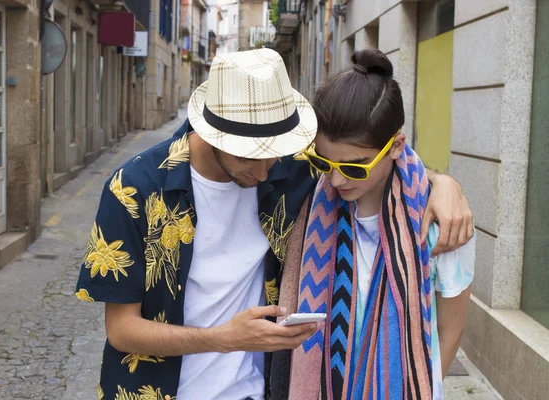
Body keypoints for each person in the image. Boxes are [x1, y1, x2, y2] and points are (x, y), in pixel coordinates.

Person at [74, 48, 473, 400]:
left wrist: (443, 184)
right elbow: (121, 330)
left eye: (275, 152)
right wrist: (223, 339)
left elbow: (373, 157)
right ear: (213, 135)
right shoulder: (133, 189)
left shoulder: (296, 166)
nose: (266, 170)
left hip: (254, 391)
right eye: (250, 156)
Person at [275, 49, 475, 400]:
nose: (336, 180)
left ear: (396, 146)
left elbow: (449, 331)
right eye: (324, 161)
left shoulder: (439, 221)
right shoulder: (304, 195)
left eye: (354, 166)